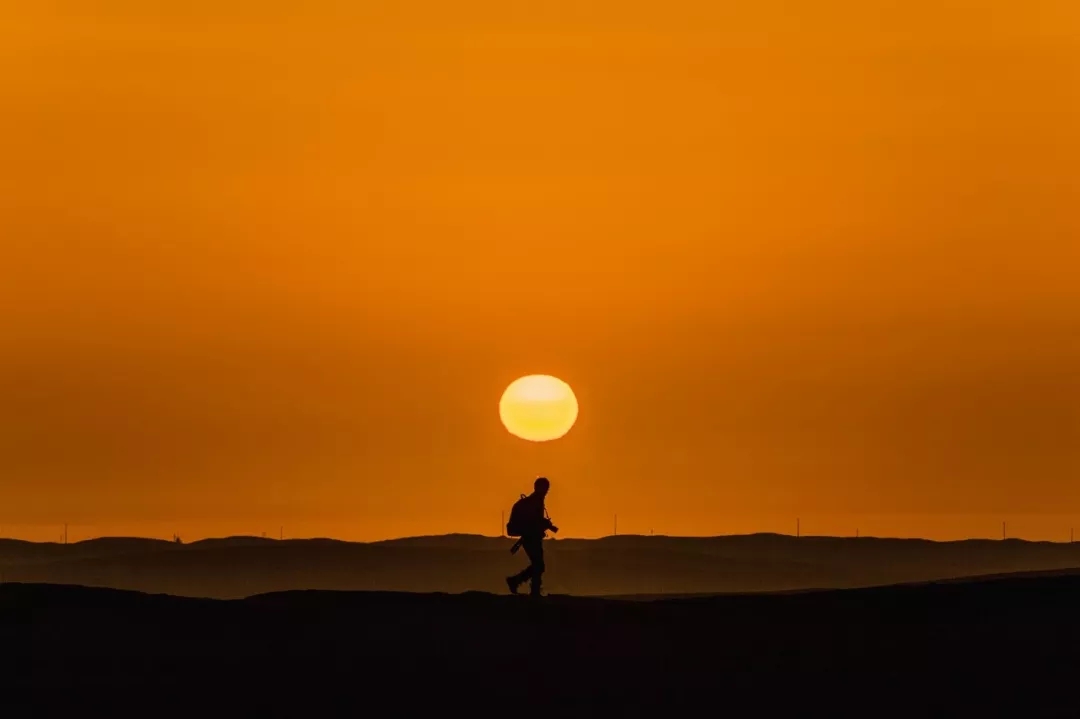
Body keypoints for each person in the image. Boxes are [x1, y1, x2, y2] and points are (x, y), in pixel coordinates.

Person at [506, 476, 558, 596]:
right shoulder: (535, 501)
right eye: (545, 488)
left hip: (531, 537)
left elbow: (534, 520)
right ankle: (524, 586)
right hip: (531, 537)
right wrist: (545, 524)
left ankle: (522, 585)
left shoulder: (536, 500)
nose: (546, 491)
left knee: (538, 565)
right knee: (539, 565)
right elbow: (533, 521)